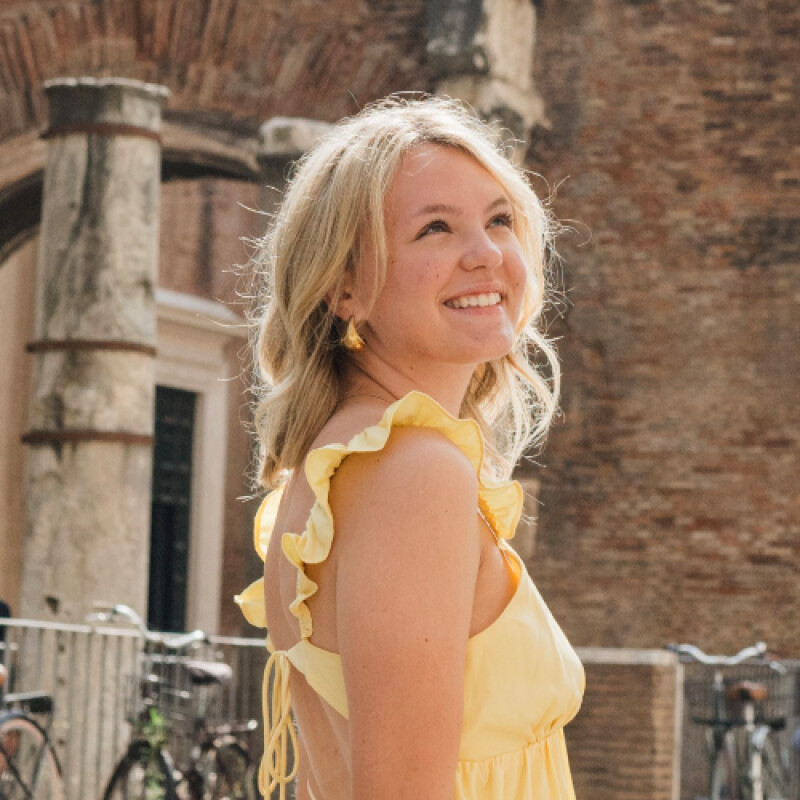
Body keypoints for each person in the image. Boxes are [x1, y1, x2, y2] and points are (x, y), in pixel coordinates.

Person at [236, 96, 585, 800]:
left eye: (499, 219)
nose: (487, 254)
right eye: (435, 228)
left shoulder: (344, 463)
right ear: (344, 288)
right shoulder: (413, 471)